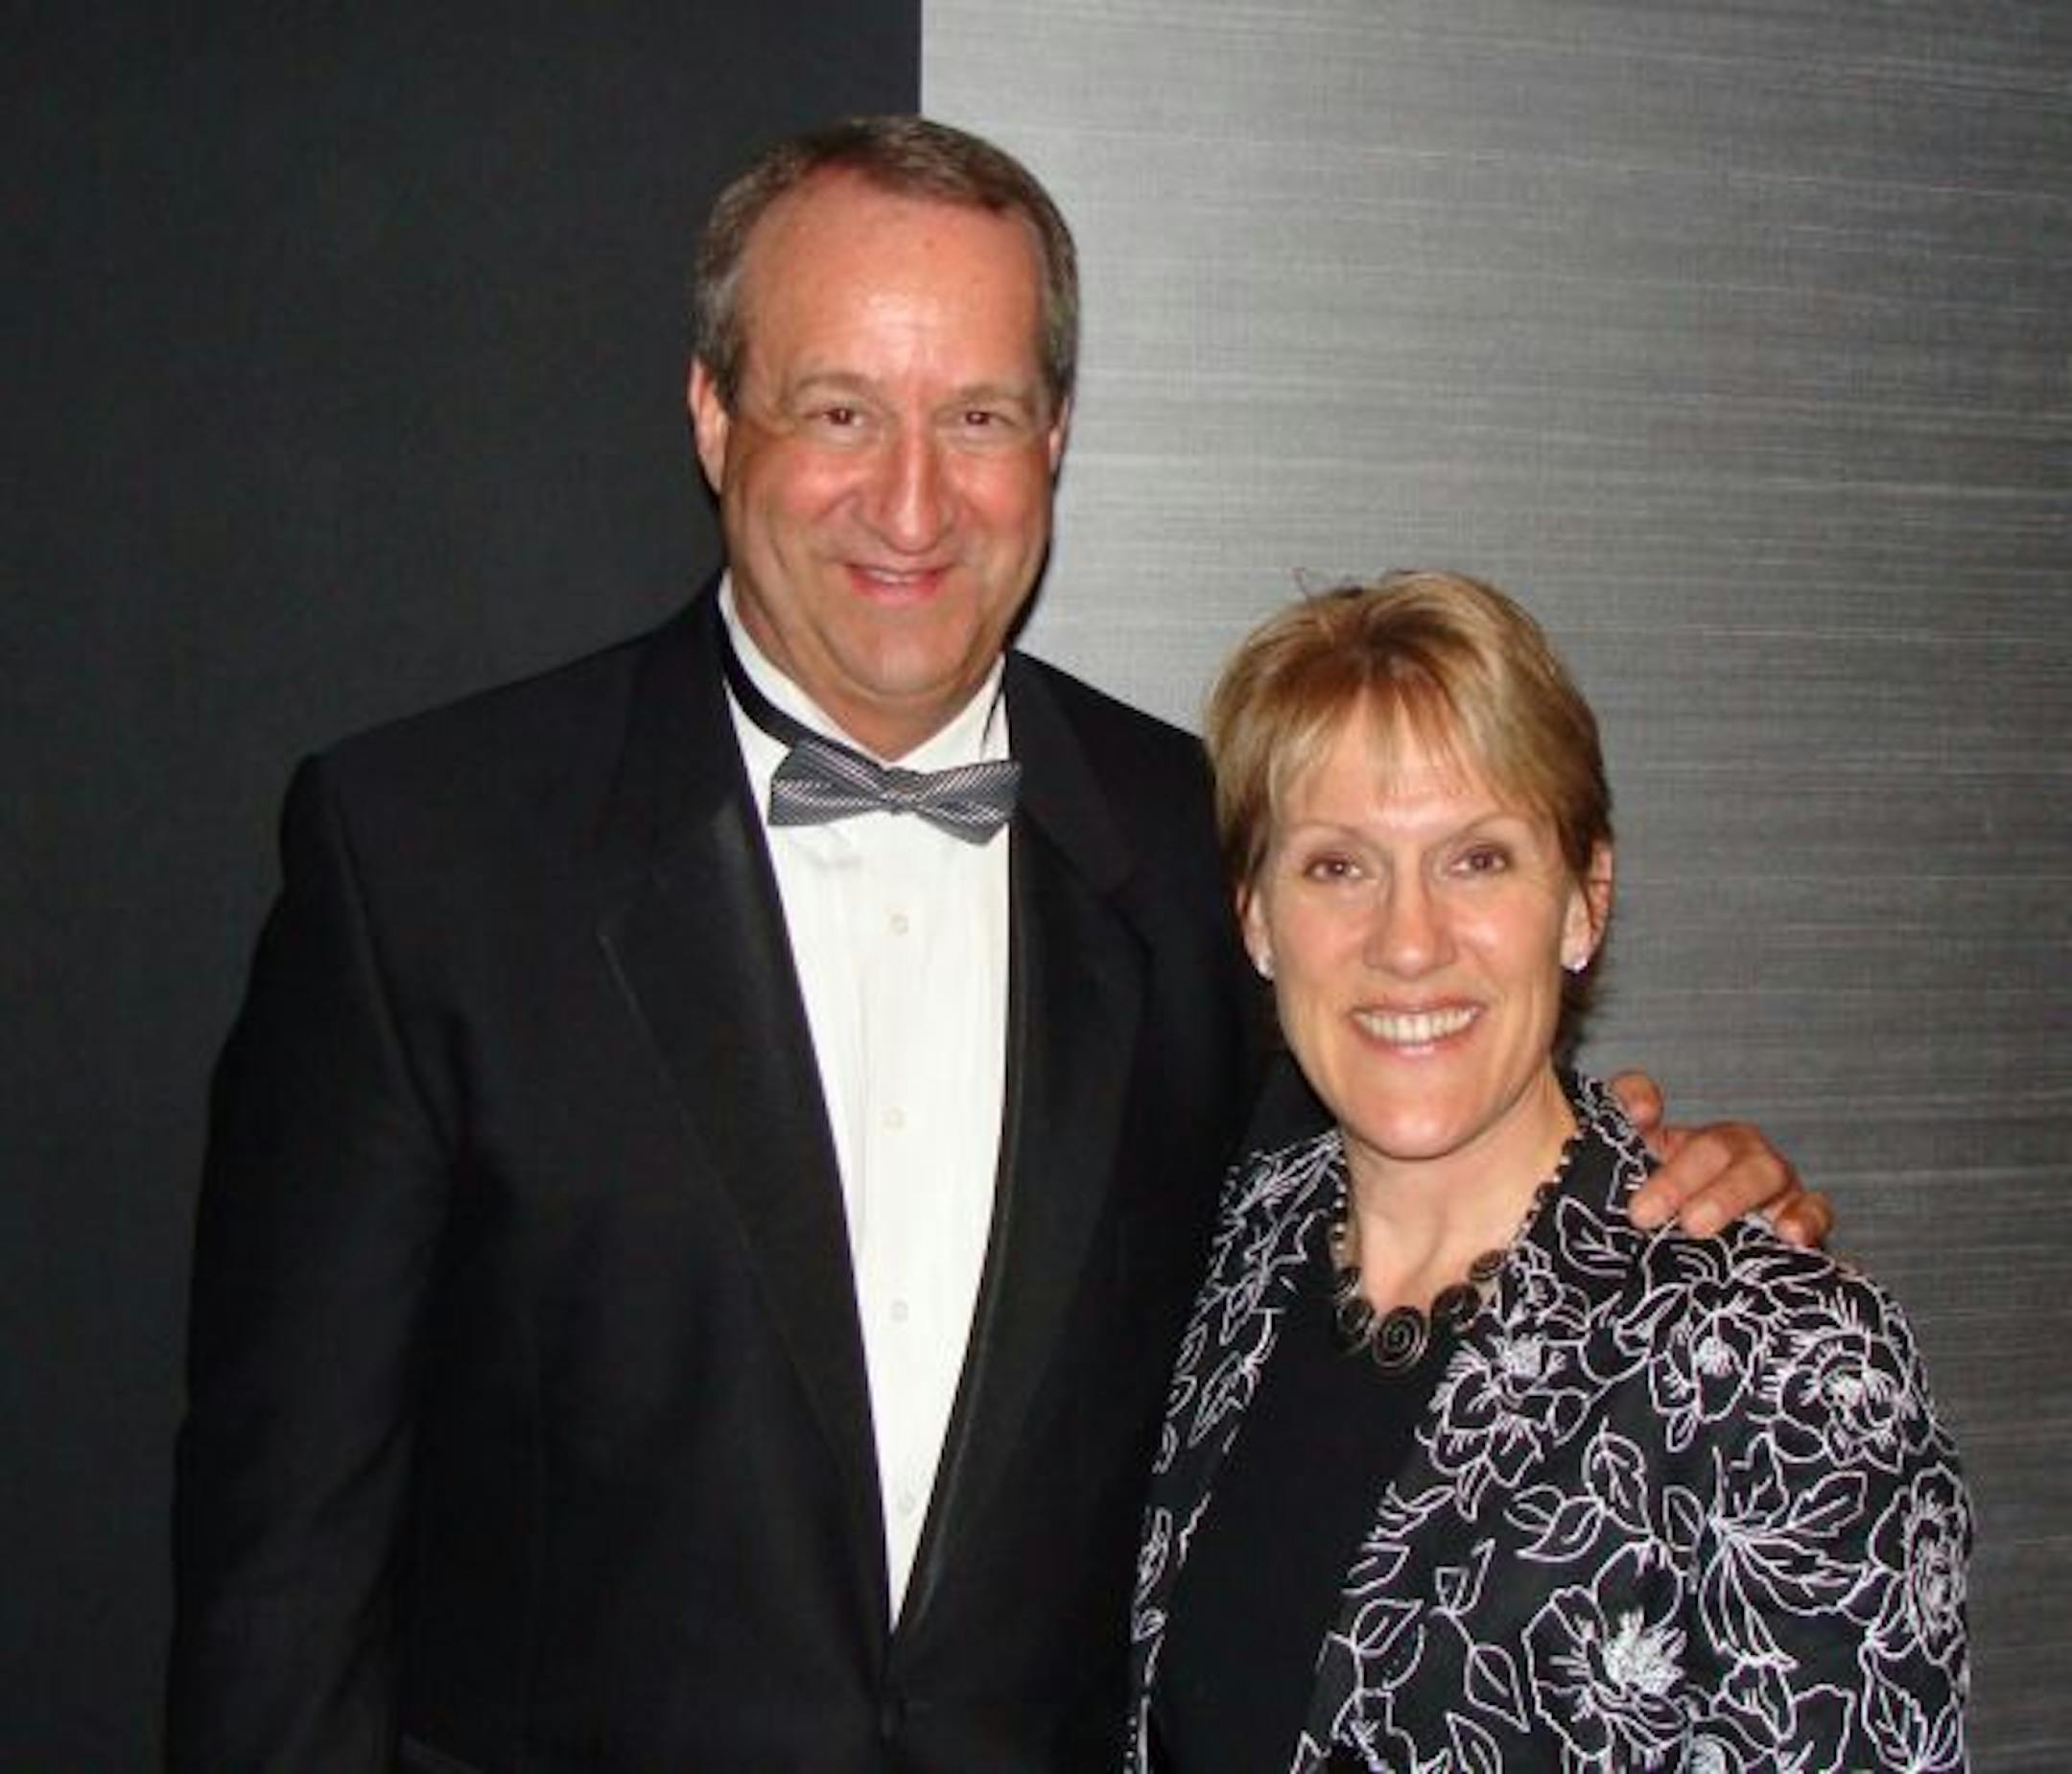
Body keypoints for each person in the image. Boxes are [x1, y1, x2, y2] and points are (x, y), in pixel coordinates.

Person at [170, 120, 1822, 1771]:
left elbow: (1413, 1173)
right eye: (838, 409)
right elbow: (282, 1577)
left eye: (977, 415)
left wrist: (1673, 1189)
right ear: (709, 414)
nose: (912, 499)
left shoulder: (1212, 854)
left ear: (1055, 440)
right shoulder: (428, 857)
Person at [1125, 571, 1970, 1772]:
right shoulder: (1224, 1249)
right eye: (1336, 866)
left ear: (1584, 902)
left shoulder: (1788, 1369)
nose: (1407, 942)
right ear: (1257, 919)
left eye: (1477, 860)